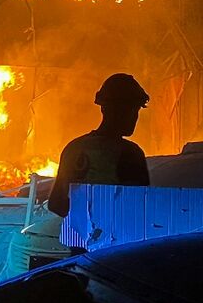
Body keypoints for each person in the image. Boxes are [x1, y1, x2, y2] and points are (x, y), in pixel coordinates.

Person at [48, 73, 150, 218]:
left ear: (103, 108)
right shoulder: (130, 153)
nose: (134, 117)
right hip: (117, 238)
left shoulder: (73, 148)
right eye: (132, 110)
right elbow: (140, 206)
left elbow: (55, 204)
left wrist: (82, 217)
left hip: (78, 237)